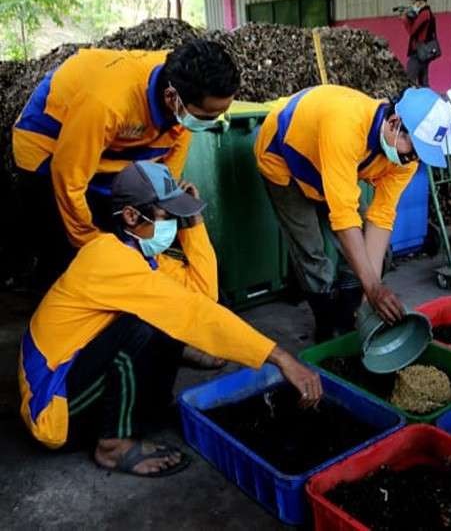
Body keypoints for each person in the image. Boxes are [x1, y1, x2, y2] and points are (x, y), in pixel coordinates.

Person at [18, 161, 322, 476]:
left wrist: (194, 222)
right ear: (132, 216)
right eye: (168, 216)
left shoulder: (146, 257)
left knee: (167, 317)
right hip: (53, 405)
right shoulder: (106, 258)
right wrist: (282, 358)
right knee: (146, 323)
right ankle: (112, 446)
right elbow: (194, 313)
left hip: (77, 376)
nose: (174, 226)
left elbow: (204, 295)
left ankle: (153, 396)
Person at [13, 39, 239, 286]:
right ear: (171, 98)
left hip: (109, 146)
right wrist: (90, 243)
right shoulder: (108, 102)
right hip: (48, 146)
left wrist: (164, 198)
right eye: (208, 116)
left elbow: (171, 156)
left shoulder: (184, 83)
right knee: (68, 255)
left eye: (220, 114)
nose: (214, 122)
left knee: (124, 232)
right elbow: (68, 176)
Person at [254, 84, 451, 342]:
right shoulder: (346, 124)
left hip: (330, 167)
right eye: (414, 150)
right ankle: (326, 323)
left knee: (366, 255)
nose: (414, 159)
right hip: (285, 160)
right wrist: (373, 288)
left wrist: (366, 299)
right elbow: (343, 216)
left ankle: (349, 316)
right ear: (394, 123)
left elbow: (381, 215)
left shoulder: (405, 157)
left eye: (420, 154)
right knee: (311, 249)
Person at [400, 0, 437, 87]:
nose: (413, 6)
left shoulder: (424, 14)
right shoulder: (428, 13)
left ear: (420, 2)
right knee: (423, 82)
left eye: (413, 3)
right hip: (424, 52)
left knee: (409, 80)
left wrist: (405, 19)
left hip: (419, 53)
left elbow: (412, 31)